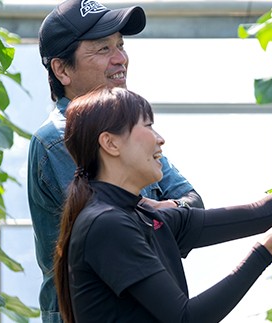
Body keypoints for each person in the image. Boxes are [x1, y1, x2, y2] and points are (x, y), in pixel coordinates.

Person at [54, 87, 272, 323]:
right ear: (110, 144)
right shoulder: (107, 224)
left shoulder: (140, 214)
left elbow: (259, 213)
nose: (160, 138)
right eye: (147, 126)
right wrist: (263, 253)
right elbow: (186, 318)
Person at [27, 0, 204, 321]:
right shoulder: (60, 139)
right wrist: (169, 213)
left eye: (120, 45)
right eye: (102, 49)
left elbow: (194, 205)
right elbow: (123, 230)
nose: (120, 58)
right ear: (62, 69)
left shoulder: (122, 127)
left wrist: (166, 213)